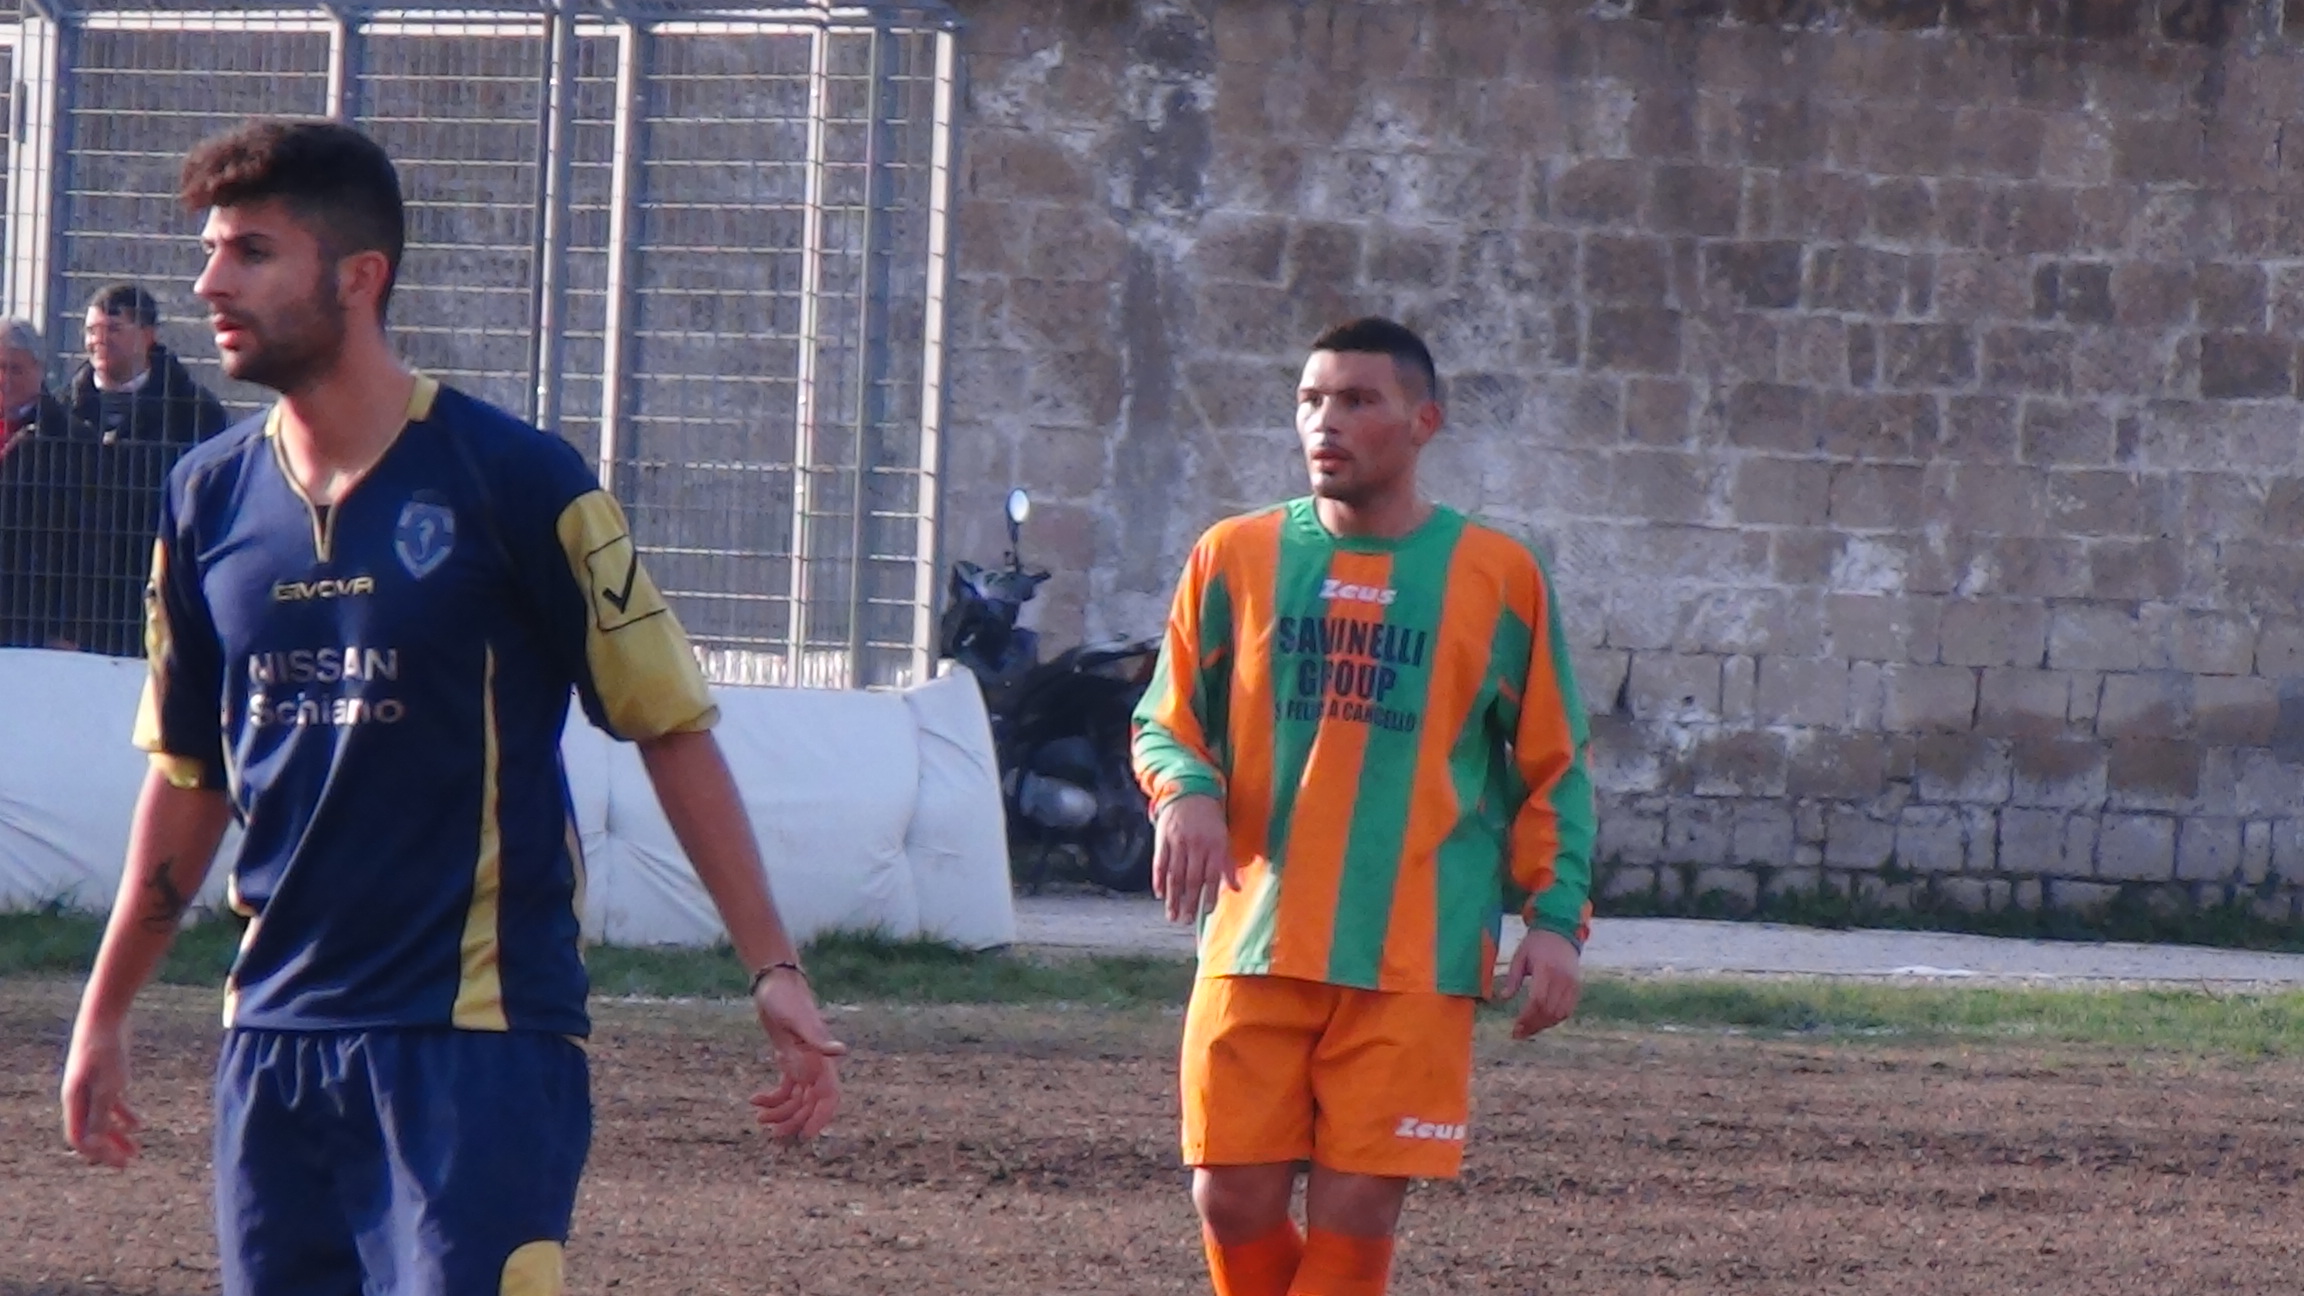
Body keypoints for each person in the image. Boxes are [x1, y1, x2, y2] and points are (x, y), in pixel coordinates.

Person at [58, 118, 845, 1296]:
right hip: (272, 1044)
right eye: (212, 250)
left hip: (476, 1042)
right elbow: (190, 777)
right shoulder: (203, 497)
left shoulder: (519, 479)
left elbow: (670, 726)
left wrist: (772, 967)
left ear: (358, 278)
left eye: (251, 252)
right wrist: (105, 1010)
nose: (208, 282)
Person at [1132, 316, 1595, 1296]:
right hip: (1257, 936)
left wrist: (1555, 922)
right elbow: (1167, 719)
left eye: (1356, 401)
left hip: (1415, 958)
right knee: (1229, 1197)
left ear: (1423, 422)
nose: (1325, 422)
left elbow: (1554, 766)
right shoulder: (1234, 558)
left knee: (1357, 1213)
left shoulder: (1498, 577)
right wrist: (1188, 794)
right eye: (1310, 400)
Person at [0, 318, 87, 648]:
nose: (4, 379)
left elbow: (84, 543)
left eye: (15, 369)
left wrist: (68, 627)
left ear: (39, 371)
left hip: (29, 614)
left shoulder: (69, 438)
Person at [70, 281, 230, 447]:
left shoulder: (195, 412)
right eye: (91, 331)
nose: (98, 340)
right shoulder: (65, 409)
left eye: (113, 329)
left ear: (147, 335)